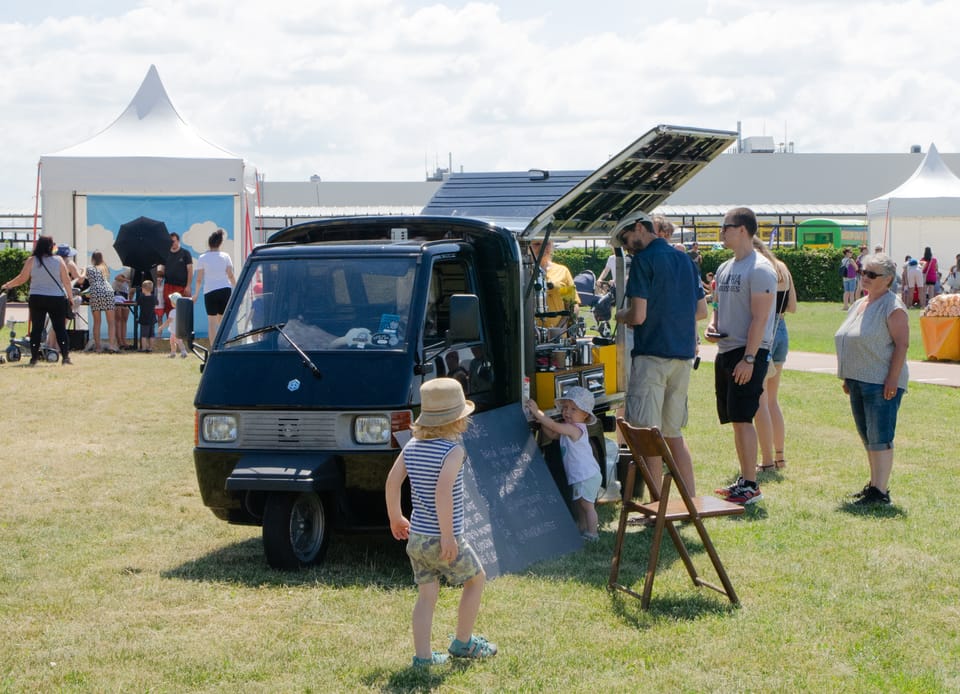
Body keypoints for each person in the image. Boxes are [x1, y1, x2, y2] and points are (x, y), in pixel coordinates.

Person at [385, 378, 496, 667]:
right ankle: (463, 642)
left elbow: (392, 482)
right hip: (443, 537)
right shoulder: (454, 451)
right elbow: (443, 492)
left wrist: (396, 517)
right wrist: (449, 536)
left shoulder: (411, 447)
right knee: (476, 579)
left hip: (418, 539)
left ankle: (422, 658)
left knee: (426, 596)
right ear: (457, 421)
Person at [614, 210, 707, 496]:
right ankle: (690, 501)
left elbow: (638, 315)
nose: (628, 248)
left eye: (627, 240)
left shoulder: (643, 260)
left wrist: (620, 315)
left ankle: (657, 507)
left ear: (640, 228)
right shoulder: (684, 259)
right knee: (673, 434)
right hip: (682, 357)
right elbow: (702, 311)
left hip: (652, 356)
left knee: (647, 437)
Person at [705, 207, 777, 505]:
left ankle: (751, 485)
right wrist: (712, 325)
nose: (722, 232)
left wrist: (749, 359)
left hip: (748, 353)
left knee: (744, 418)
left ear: (743, 230)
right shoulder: (725, 268)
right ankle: (744, 479)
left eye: (726, 227)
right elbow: (719, 307)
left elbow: (760, 319)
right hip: (726, 350)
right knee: (736, 418)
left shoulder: (759, 269)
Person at [835, 253, 909, 505]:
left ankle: (881, 491)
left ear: (887, 280)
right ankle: (874, 484)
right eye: (863, 272)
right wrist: (847, 375)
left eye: (871, 274)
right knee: (868, 436)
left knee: (880, 436)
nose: (864, 277)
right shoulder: (860, 303)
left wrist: (892, 379)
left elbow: (902, 345)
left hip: (880, 381)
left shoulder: (893, 306)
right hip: (858, 379)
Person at [525, 386, 602, 540]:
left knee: (587, 506)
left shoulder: (574, 429)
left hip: (586, 475)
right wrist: (541, 423)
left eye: (574, 409)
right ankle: (582, 527)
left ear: (585, 415)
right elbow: (553, 434)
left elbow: (554, 426)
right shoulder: (569, 430)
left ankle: (593, 533)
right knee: (581, 505)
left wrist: (538, 412)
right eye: (566, 407)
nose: (567, 412)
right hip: (581, 476)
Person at [752, 238, 798, 473]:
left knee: (759, 400)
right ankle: (779, 456)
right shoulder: (782, 267)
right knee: (772, 399)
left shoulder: (758, 268)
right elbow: (792, 307)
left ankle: (766, 459)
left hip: (765, 331)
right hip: (782, 329)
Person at [1, 235, 74, 365]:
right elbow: (66, 281)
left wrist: (8, 285)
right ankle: (65, 357)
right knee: (60, 329)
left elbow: (22, 279)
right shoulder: (58, 260)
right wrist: (70, 297)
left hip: (36, 297)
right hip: (56, 298)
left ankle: (34, 358)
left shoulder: (32, 260)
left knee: (36, 328)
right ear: (51, 247)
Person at [192, 228, 236, 341]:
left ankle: (213, 349)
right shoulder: (226, 256)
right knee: (223, 322)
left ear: (209, 243)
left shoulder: (202, 258)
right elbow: (230, 275)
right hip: (225, 290)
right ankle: (224, 345)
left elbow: (199, 279)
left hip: (210, 291)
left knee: (211, 322)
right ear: (220, 243)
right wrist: (236, 288)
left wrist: (196, 294)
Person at [530, 238, 579, 331]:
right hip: (530, 335)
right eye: (537, 244)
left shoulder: (562, 271)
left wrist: (560, 329)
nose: (542, 248)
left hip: (558, 336)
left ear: (552, 246)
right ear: (528, 247)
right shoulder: (523, 272)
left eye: (547, 244)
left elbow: (572, 305)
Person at [83, 251, 118, 353]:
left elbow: (83, 281)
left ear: (92, 259)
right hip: (108, 291)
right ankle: (111, 345)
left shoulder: (89, 268)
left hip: (95, 292)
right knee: (111, 322)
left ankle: (98, 347)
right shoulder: (105, 268)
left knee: (97, 322)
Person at [159, 232, 193, 318]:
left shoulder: (185, 253)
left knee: (182, 311)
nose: (172, 243)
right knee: (169, 311)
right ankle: (172, 330)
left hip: (182, 287)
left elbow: (190, 270)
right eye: (170, 242)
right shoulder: (165, 253)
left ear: (178, 241)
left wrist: (188, 286)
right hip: (168, 286)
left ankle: (182, 331)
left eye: (173, 241)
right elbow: (162, 271)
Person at [158, 291, 189, 358]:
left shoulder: (172, 312)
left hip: (175, 331)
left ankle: (184, 352)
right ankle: (173, 353)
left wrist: (161, 327)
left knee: (178, 342)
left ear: (173, 303)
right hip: (177, 331)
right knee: (173, 342)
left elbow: (168, 321)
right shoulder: (182, 311)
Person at [137, 279, 158, 352]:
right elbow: (156, 304)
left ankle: (144, 348)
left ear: (143, 289)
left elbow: (138, 303)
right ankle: (151, 348)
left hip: (144, 318)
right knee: (151, 335)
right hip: (152, 318)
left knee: (144, 335)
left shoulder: (142, 297)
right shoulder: (154, 297)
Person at [112, 271, 132, 349]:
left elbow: (131, 293)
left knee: (124, 319)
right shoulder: (129, 271)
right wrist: (128, 281)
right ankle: (119, 341)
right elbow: (117, 277)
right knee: (118, 318)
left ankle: (124, 341)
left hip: (125, 297)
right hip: (117, 295)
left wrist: (129, 300)